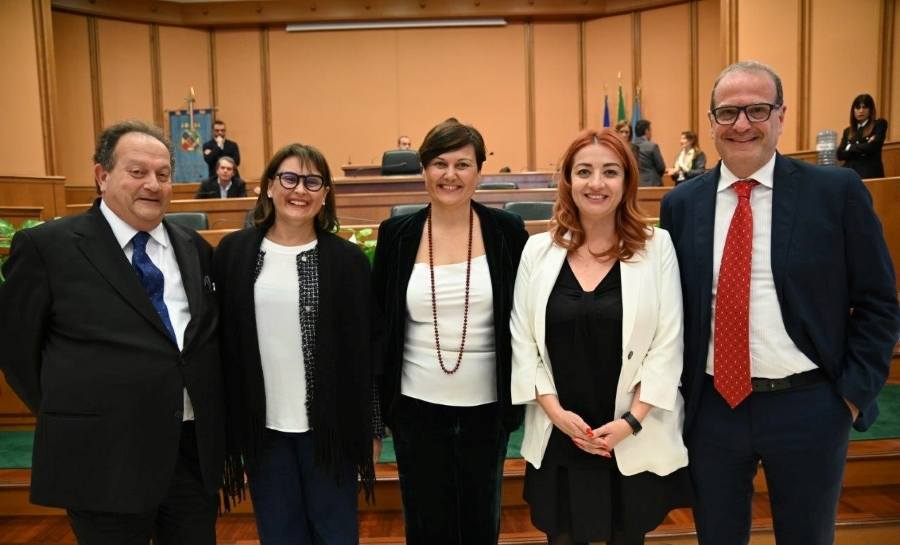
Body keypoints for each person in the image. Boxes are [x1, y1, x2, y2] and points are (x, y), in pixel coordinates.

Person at [660, 60, 900, 544]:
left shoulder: (836, 192)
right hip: (713, 411)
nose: (742, 124)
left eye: (757, 110)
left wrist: (850, 397)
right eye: (727, 113)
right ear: (711, 122)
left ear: (781, 116)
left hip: (810, 406)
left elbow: (878, 302)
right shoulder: (682, 204)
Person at [0, 119, 226, 544]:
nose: (153, 185)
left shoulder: (193, 247)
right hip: (101, 458)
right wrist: (78, 412)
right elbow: (17, 353)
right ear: (102, 176)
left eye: (163, 175)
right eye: (137, 172)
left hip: (190, 455)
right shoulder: (48, 249)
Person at [511, 128, 692, 545]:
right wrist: (556, 414)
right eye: (584, 171)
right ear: (568, 181)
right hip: (561, 433)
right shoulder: (537, 251)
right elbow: (523, 342)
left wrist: (631, 421)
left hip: (628, 434)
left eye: (610, 171)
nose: (596, 183)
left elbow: (668, 343)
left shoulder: (656, 247)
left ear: (627, 180)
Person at [213, 143, 382, 544]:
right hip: (263, 428)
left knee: (335, 533)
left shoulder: (347, 261)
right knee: (280, 533)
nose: (299, 190)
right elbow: (221, 344)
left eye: (312, 181)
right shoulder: (234, 254)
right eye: (289, 178)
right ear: (269, 186)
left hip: (331, 429)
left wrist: (371, 428)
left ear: (325, 194)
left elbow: (368, 352)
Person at [372, 118, 529, 545]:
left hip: (488, 406)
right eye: (439, 163)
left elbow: (524, 315)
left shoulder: (507, 232)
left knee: (481, 523)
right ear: (423, 169)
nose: (450, 175)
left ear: (480, 171)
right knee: (425, 526)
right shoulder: (397, 234)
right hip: (415, 405)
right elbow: (381, 322)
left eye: (463, 164)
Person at [837, 93, 888, 179]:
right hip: (850, 173)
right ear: (853, 110)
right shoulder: (848, 131)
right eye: (857, 108)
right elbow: (840, 154)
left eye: (864, 107)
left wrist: (849, 147)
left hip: (870, 173)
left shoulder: (879, 124)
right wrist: (864, 147)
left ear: (870, 110)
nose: (861, 111)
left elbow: (873, 147)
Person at [633, 120, 665, 187]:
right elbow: (661, 167)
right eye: (650, 131)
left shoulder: (630, 146)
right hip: (653, 183)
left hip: (636, 183)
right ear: (647, 131)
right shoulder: (652, 146)